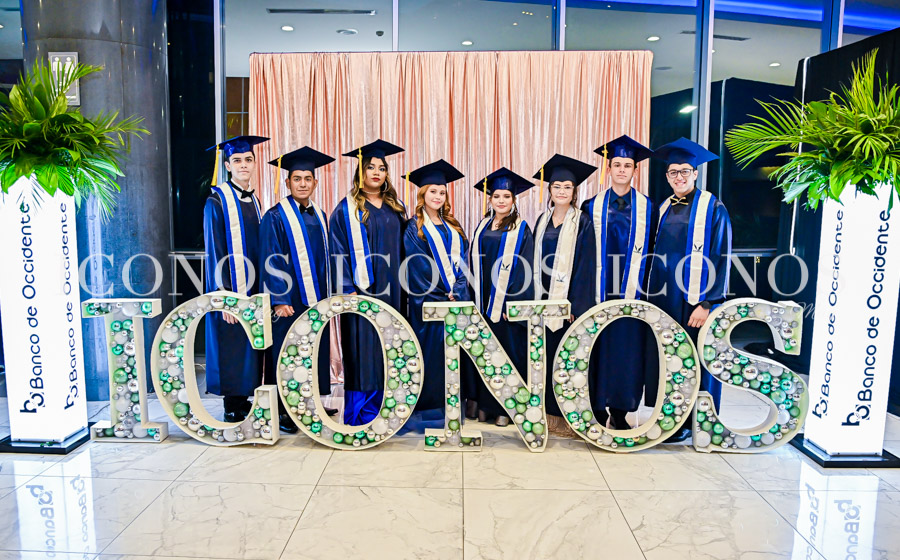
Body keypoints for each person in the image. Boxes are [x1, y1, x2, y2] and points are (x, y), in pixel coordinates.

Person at [647, 137, 732, 443]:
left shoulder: (713, 208)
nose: (679, 177)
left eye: (685, 171)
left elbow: (722, 256)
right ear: (667, 176)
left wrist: (708, 303)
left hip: (695, 300)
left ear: (696, 173)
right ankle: (673, 418)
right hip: (665, 298)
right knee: (673, 358)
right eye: (673, 172)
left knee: (696, 358)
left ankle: (698, 421)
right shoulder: (663, 208)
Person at [582, 135, 659, 430]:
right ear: (609, 169)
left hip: (633, 291)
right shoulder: (591, 206)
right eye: (617, 164)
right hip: (598, 290)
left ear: (635, 170)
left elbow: (654, 253)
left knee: (627, 351)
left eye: (628, 165)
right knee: (597, 349)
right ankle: (595, 408)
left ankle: (620, 410)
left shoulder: (649, 208)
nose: (622, 170)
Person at [329, 139, 407, 425]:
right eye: (371, 167)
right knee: (363, 349)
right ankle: (361, 413)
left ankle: (388, 407)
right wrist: (347, 288)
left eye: (381, 168)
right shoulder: (346, 209)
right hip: (361, 291)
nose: (376, 172)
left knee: (390, 346)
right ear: (360, 172)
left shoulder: (396, 207)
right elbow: (337, 251)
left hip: (393, 290)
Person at [259, 146, 335, 433]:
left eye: (307, 179)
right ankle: (284, 410)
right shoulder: (276, 216)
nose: (303, 184)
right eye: (297, 179)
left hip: (316, 298)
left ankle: (310, 402)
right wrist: (279, 299)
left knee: (312, 351)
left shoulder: (321, 215)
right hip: (290, 300)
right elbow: (271, 258)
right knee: (287, 354)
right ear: (288, 182)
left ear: (315, 182)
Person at [203, 135, 269, 422]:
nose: (244, 165)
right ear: (228, 165)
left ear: (254, 164)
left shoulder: (255, 200)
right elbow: (215, 250)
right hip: (230, 285)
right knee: (231, 341)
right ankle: (232, 404)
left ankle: (246, 398)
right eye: (237, 160)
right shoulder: (216, 201)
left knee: (249, 341)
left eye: (248, 160)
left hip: (254, 283)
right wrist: (225, 297)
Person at [531, 154, 597, 436]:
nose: (561, 191)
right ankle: (548, 415)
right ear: (549, 190)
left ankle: (568, 416)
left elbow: (585, 265)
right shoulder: (541, 220)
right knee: (544, 358)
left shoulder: (582, 222)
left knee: (566, 360)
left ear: (574, 191)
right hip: (542, 301)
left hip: (567, 304)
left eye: (567, 187)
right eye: (556, 186)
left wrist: (575, 305)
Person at [467, 168, 535, 426]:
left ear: (514, 199)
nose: (501, 200)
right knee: (484, 353)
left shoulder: (521, 229)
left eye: (506, 196)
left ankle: (505, 409)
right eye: (497, 196)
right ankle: (485, 406)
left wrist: (512, 303)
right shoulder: (482, 225)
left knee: (506, 354)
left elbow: (526, 268)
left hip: (506, 303)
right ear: (490, 199)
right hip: (482, 300)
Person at [402, 160, 469, 411]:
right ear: (422, 194)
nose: (438, 196)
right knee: (431, 353)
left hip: (454, 299)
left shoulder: (453, 225)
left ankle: (453, 404)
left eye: (442, 192)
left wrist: (459, 289)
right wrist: (442, 293)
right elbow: (417, 265)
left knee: (454, 354)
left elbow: (464, 260)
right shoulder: (414, 227)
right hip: (430, 300)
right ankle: (429, 407)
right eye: (433, 191)